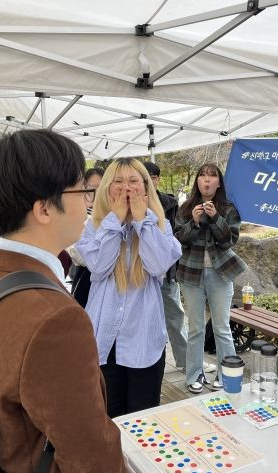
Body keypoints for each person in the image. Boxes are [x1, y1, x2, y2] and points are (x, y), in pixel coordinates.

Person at [0, 129, 129, 473]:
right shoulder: (55, 318)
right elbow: (92, 459)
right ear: (43, 209)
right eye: (82, 189)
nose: (88, 202)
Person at [76, 158, 181, 417]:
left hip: (143, 339)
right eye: (118, 182)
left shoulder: (159, 225)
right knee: (107, 418)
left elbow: (158, 266)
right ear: (107, 188)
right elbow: (99, 266)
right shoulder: (94, 226)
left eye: (134, 181)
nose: (126, 188)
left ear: (146, 188)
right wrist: (115, 221)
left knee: (143, 418)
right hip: (103, 341)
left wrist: (141, 221)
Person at [175, 163, 246, 394]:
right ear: (197, 181)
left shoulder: (228, 209)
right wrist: (193, 223)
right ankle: (194, 374)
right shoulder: (185, 208)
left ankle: (227, 373)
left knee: (222, 327)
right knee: (195, 327)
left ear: (218, 182)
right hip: (190, 273)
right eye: (203, 176)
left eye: (212, 176)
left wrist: (215, 217)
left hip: (220, 273)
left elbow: (229, 241)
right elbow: (178, 242)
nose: (207, 180)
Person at [142, 162, 218, 375]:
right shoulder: (131, 203)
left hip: (165, 270)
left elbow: (178, 237)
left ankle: (187, 360)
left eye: (151, 177)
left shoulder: (170, 203)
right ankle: (144, 364)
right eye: (143, 177)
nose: (147, 181)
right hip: (139, 273)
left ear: (157, 179)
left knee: (175, 314)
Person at [68, 167, 104, 307]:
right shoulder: (79, 216)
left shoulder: (117, 217)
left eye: (102, 187)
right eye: (91, 188)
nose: (96, 192)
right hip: (86, 280)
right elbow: (78, 254)